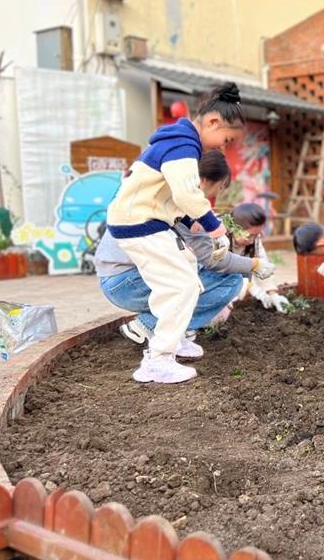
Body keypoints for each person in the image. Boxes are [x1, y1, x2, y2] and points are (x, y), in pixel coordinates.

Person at [105, 83, 244, 383]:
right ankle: (159, 359)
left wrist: (187, 220)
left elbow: (165, 193)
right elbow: (186, 193)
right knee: (181, 285)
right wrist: (213, 226)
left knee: (188, 269)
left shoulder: (178, 141)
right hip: (140, 223)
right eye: (225, 139)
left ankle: (173, 338)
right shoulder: (183, 144)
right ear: (212, 122)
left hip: (144, 220)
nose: (223, 147)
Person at [97, 151, 275, 353]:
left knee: (194, 270)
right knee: (226, 280)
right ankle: (149, 326)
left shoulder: (162, 189)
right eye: (220, 186)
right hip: (126, 281)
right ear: (205, 180)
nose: (215, 194)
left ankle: (172, 333)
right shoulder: (181, 202)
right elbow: (213, 260)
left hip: (119, 276)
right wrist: (255, 265)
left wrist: (270, 289)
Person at [229, 203, 291, 313]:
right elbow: (219, 273)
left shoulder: (254, 240)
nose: (252, 240)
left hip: (239, 283)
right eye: (249, 236)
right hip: (219, 286)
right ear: (234, 228)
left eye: (256, 235)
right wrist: (250, 287)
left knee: (253, 263)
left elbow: (263, 266)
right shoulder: (221, 242)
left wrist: (273, 294)